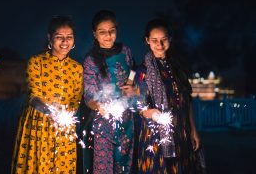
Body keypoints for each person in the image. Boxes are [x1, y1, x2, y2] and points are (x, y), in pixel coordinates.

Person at [11, 16, 83, 174]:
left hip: (64, 128)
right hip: (39, 125)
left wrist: (66, 115)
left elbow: (76, 99)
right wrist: (49, 111)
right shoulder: (36, 62)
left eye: (69, 37)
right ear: (50, 38)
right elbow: (33, 96)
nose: (65, 42)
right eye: (59, 37)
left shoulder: (77, 68)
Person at [135, 18, 203, 173]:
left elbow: (187, 100)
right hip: (157, 136)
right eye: (154, 40)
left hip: (182, 131)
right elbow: (139, 105)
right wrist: (150, 112)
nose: (159, 45)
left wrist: (193, 130)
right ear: (147, 41)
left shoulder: (178, 67)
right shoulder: (143, 71)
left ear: (170, 39)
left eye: (163, 40)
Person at [82, 10, 135, 173]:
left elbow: (134, 69)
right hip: (103, 122)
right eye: (102, 32)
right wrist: (99, 106)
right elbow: (89, 94)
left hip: (126, 119)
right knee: (103, 166)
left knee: (124, 164)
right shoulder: (91, 60)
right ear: (94, 34)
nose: (108, 35)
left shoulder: (125, 51)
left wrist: (131, 84)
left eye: (112, 30)